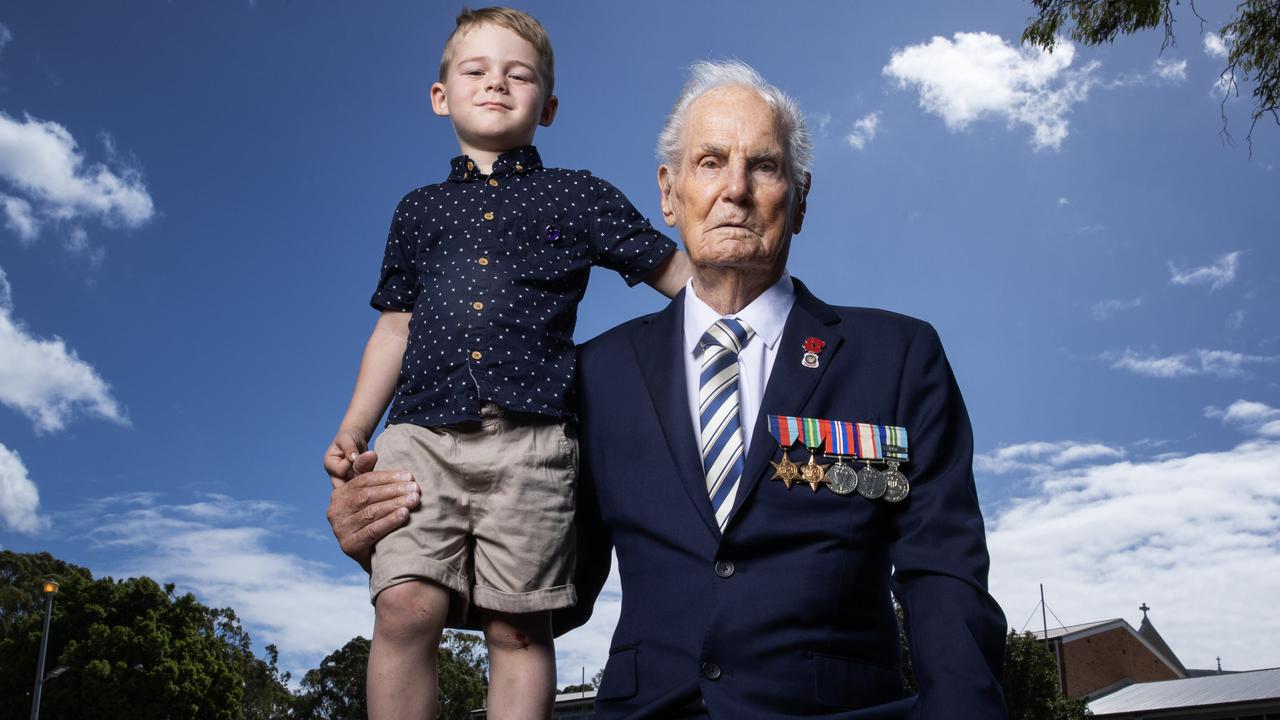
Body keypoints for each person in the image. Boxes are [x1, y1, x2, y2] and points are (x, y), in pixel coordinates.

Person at [330, 60, 1007, 719]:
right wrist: (391, 535)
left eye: (764, 166)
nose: (735, 189)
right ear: (667, 191)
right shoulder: (594, 375)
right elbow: (539, 582)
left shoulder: (896, 355)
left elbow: (943, 573)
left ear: (799, 199)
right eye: (710, 162)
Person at [321, 8, 690, 720]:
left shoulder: (579, 195)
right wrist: (354, 425)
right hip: (420, 435)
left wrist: (745, 317)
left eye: (518, 74)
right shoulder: (417, 211)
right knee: (404, 605)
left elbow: (675, 274)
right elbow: (393, 327)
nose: (497, 83)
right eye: (476, 71)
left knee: (518, 626)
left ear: (547, 106)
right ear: (441, 96)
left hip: (534, 441)